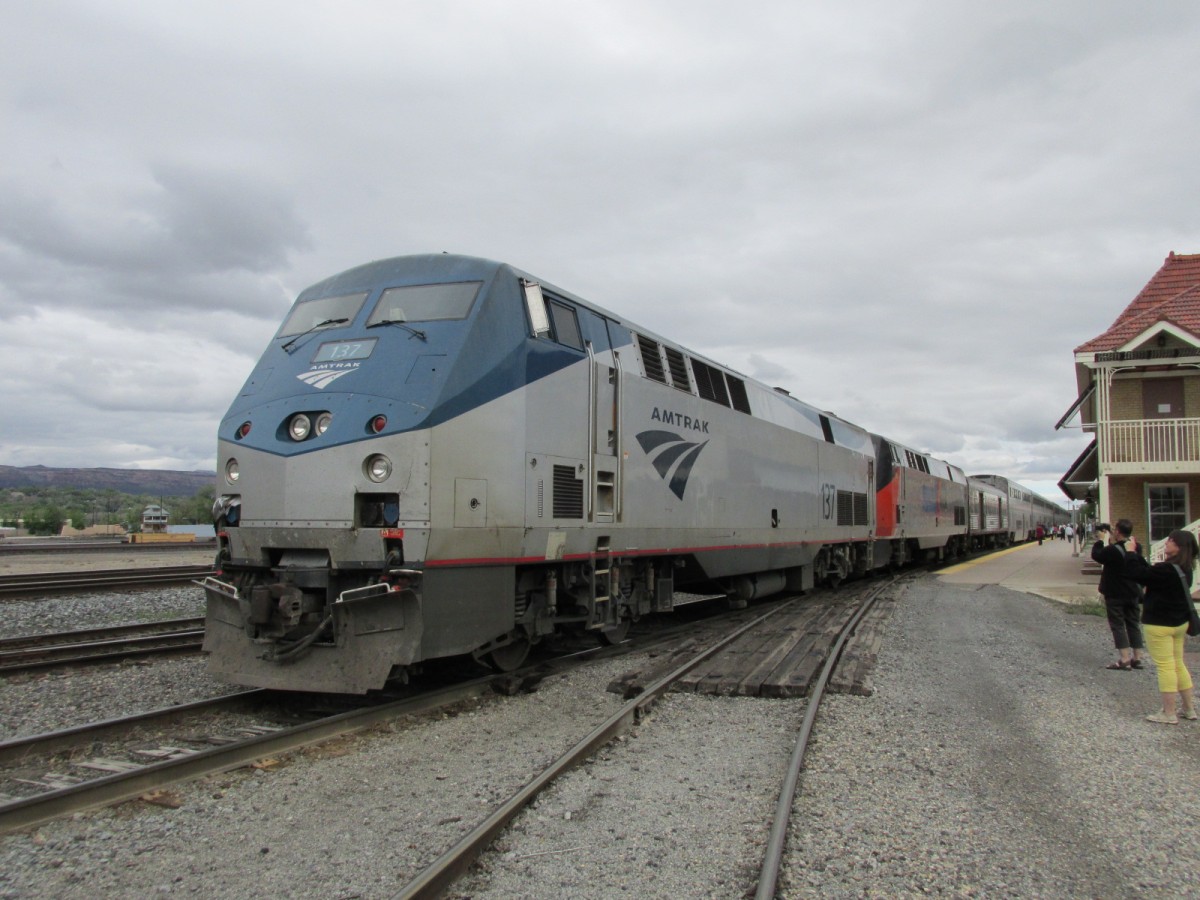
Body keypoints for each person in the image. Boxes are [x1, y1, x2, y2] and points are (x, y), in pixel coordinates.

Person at [1125, 529, 1199, 724]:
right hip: (1179, 623)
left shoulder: (1165, 569)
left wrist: (1130, 553)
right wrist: (1138, 555)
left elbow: (1136, 574)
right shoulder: (1185, 569)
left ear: (1179, 547)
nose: (1166, 543)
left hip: (1159, 625)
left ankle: (1169, 712)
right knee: (1178, 663)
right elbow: (1149, 573)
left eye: (1170, 541)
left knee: (1165, 666)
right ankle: (1189, 709)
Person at [1091, 520, 1146, 670]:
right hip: (1133, 592)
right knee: (1133, 624)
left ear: (1117, 532)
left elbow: (1096, 555)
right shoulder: (1136, 547)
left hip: (1115, 593)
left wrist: (1101, 540)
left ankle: (1125, 659)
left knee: (1118, 625)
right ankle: (1137, 658)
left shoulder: (1111, 550)